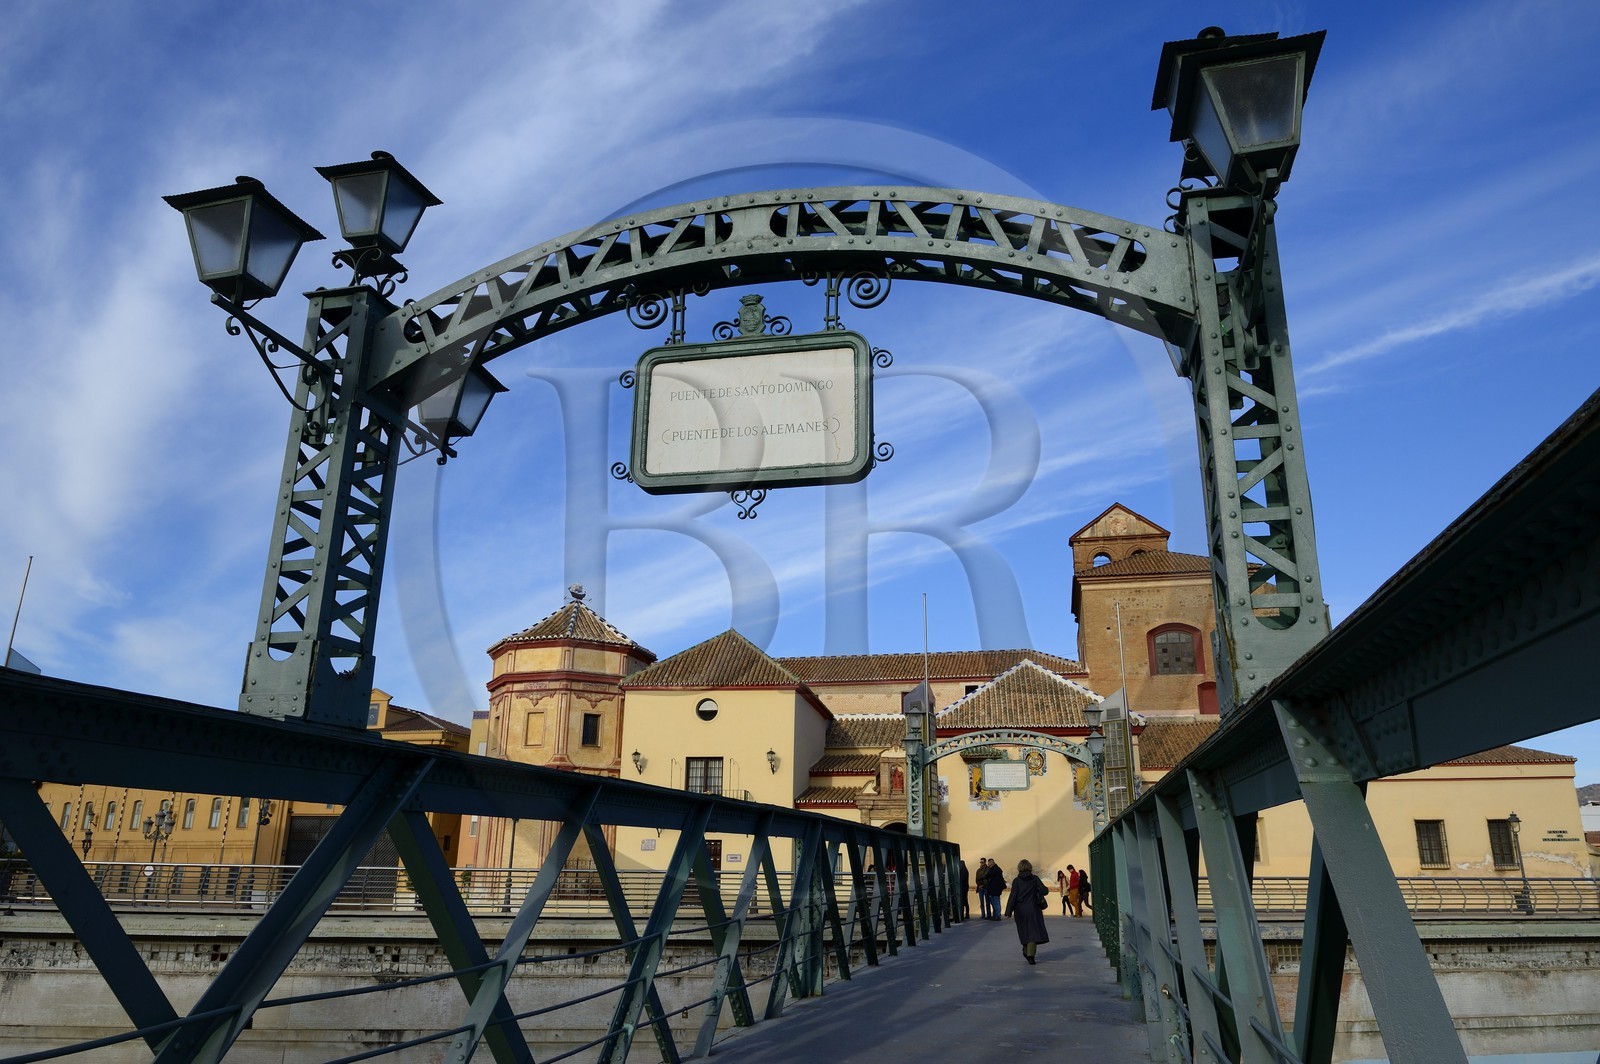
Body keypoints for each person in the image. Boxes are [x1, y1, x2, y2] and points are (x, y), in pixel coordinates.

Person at [1003, 858, 1050, 964]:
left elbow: (1013, 896)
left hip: (1020, 910)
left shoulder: (1016, 881)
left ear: (1019, 868)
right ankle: (1030, 956)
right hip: (1033, 909)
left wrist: (1008, 911)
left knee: (1024, 931)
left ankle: (1026, 951)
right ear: (1030, 867)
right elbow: (1045, 891)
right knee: (1033, 932)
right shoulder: (1035, 879)